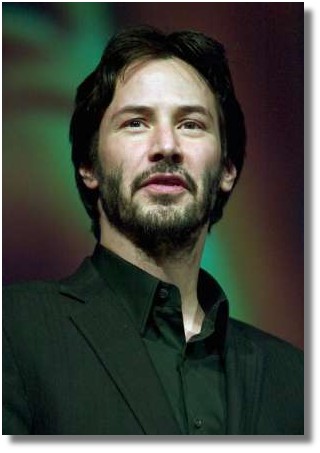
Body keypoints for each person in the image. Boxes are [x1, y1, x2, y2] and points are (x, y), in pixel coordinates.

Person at [3, 25, 303, 435]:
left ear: (227, 171)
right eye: (136, 123)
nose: (167, 144)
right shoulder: (14, 328)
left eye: (192, 124)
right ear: (88, 165)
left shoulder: (295, 377)